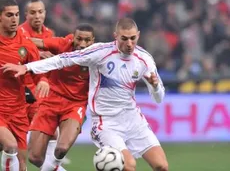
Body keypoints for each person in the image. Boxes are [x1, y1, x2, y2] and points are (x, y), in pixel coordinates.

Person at [2, 18, 168, 171]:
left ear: (138, 35)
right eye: (124, 38)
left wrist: (154, 87)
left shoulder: (144, 59)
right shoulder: (100, 52)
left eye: (133, 38)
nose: (129, 43)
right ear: (115, 36)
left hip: (133, 120)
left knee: (162, 166)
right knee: (129, 166)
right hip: (106, 122)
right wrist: (27, 67)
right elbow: (63, 59)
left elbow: (159, 98)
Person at [25, 24, 94, 170]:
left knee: (61, 149)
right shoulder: (63, 44)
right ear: (73, 38)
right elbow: (33, 41)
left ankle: (55, 165)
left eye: (87, 40)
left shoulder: (97, 55)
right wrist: (38, 52)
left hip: (75, 105)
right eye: (79, 39)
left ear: (93, 41)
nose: (82, 44)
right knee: (34, 157)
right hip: (50, 101)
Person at [0, 0, 49, 171]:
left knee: (22, 165)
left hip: (18, 111)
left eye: (17, 15)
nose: (14, 19)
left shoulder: (26, 45)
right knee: (10, 146)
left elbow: (38, 71)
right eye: (9, 15)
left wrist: (43, 80)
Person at [19, 0, 69, 169]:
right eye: (33, 12)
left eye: (40, 12)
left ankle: (53, 166)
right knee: (15, 141)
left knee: (52, 134)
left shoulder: (50, 33)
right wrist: (38, 54)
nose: (37, 16)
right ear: (26, 15)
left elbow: (53, 64)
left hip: (40, 91)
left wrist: (45, 79)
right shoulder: (19, 33)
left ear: (45, 13)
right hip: (20, 90)